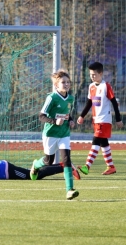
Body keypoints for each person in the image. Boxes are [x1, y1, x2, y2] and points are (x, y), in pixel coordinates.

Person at [30, 69, 79, 200]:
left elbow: (68, 114)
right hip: (50, 133)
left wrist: (71, 120)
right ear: (56, 85)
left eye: (68, 82)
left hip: (64, 134)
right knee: (48, 161)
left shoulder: (70, 98)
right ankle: (35, 165)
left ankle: (69, 190)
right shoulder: (51, 97)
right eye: (63, 82)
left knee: (66, 159)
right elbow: (41, 116)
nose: (67, 84)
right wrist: (54, 121)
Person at [77, 62, 123, 175]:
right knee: (104, 143)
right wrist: (82, 116)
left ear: (101, 73)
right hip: (96, 120)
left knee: (96, 141)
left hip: (104, 120)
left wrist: (118, 119)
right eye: (90, 75)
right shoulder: (91, 86)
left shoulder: (106, 86)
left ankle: (87, 166)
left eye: (94, 74)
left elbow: (114, 102)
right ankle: (111, 167)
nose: (92, 77)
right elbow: (89, 103)